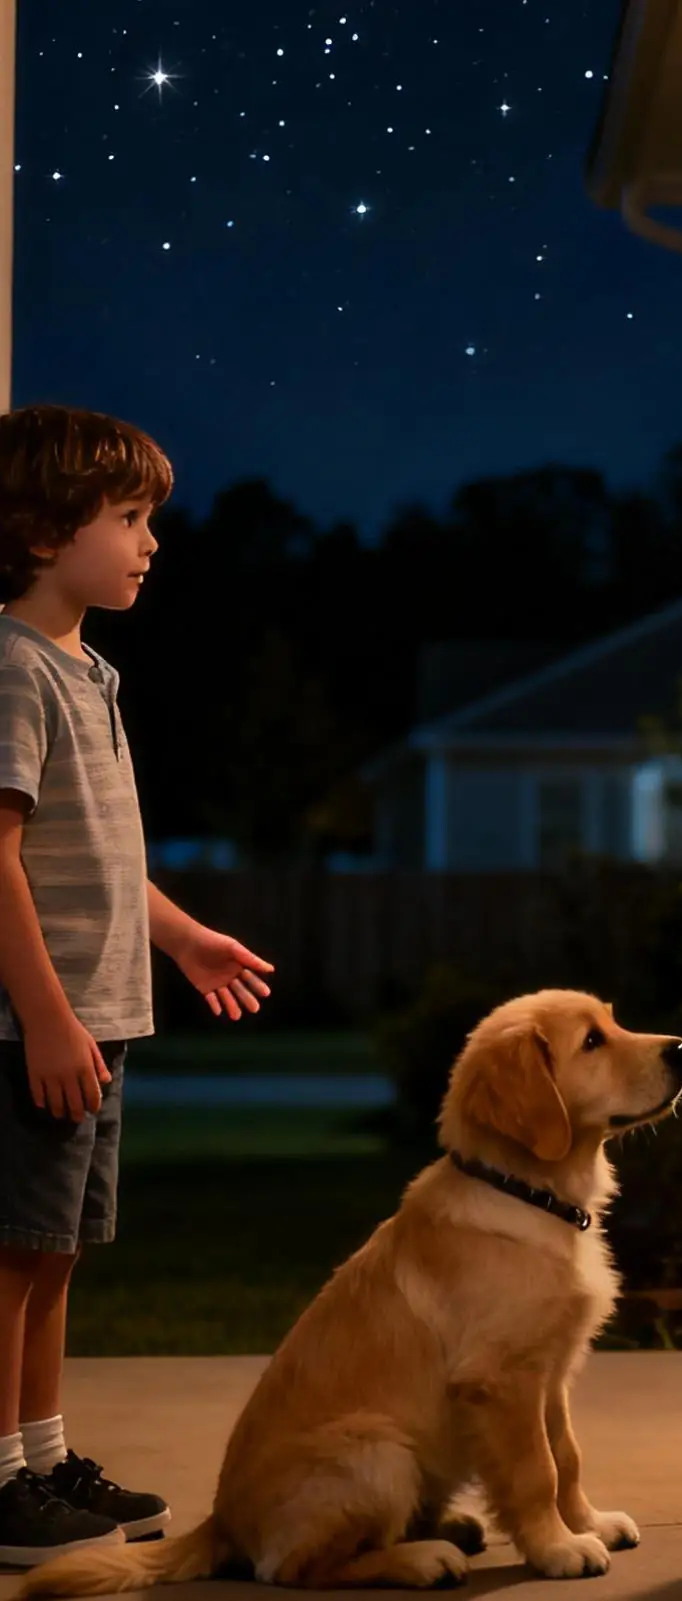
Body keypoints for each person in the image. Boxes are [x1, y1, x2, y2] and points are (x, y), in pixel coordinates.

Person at [0, 405, 276, 1569]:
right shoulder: (13, 670)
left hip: (98, 1024)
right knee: (12, 1251)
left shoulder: (89, 670)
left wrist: (181, 937)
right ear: (41, 530)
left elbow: (101, 855)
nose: (149, 540)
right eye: (126, 517)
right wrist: (46, 1019)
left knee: (54, 1250)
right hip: (40, 1028)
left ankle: (45, 1457)